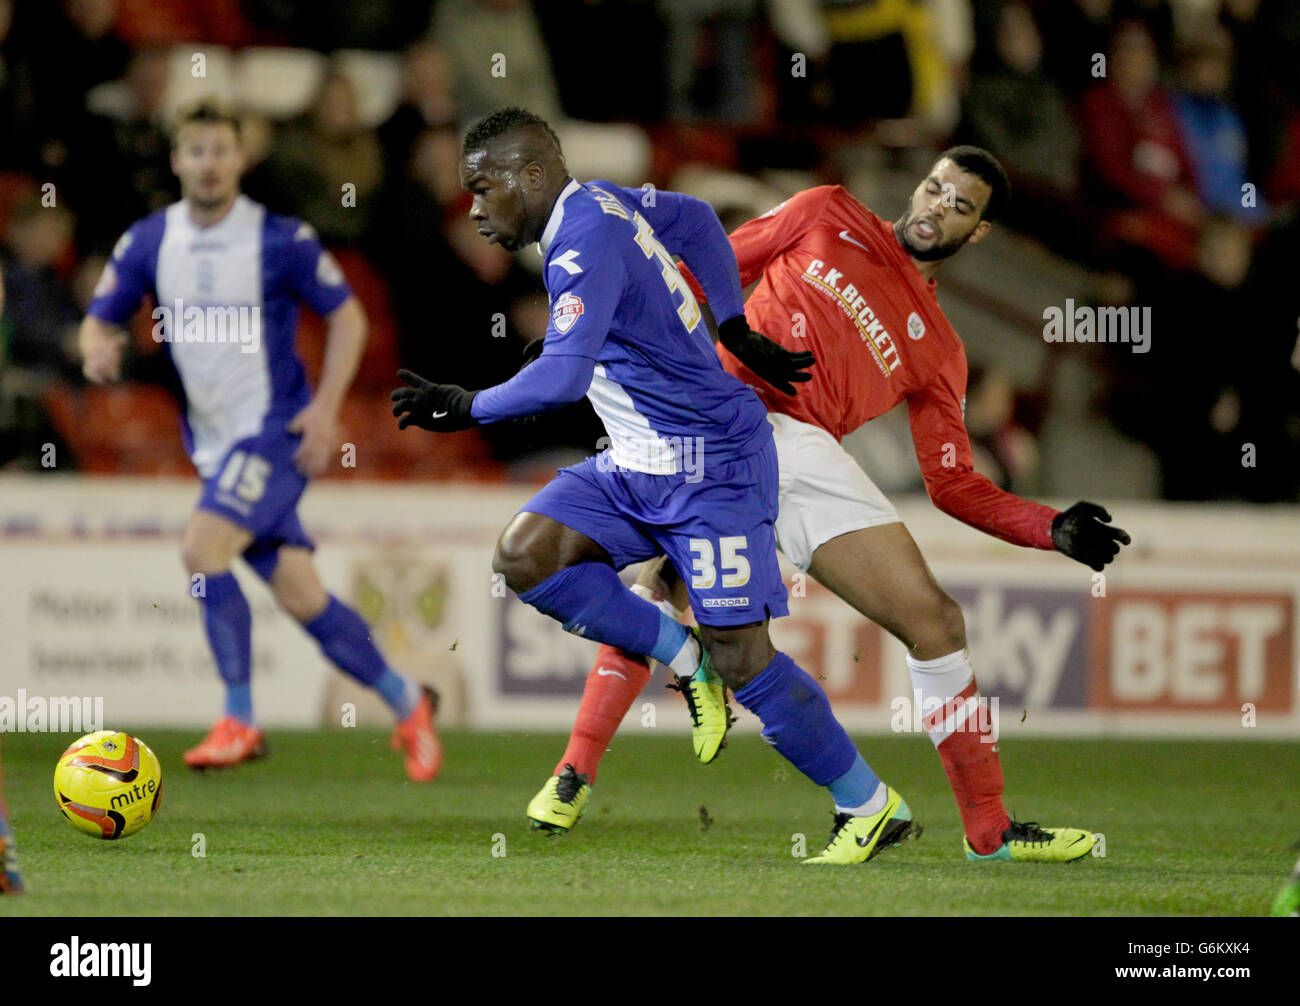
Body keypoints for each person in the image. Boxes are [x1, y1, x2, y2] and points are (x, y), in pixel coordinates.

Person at [528, 146, 1130, 863]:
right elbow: (699, 270)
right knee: (659, 583)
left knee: (935, 622)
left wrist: (1049, 526)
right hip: (713, 415)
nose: (937, 206)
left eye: (960, 205)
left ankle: (989, 833)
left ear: (981, 232)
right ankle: (577, 769)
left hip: (800, 452)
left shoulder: (939, 349)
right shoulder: (826, 212)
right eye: (935, 187)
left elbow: (953, 483)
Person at [392, 106, 914, 864]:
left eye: (482, 187)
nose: (472, 207)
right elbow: (699, 219)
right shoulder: (602, 201)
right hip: (637, 463)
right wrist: (730, 324)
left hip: (712, 468)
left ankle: (868, 804)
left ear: (531, 177)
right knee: (527, 557)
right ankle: (682, 653)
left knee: (747, 658)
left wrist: (464, 404)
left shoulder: (581, 241)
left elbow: (563, 378)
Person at [77, 99, 441, 781]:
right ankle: (407, 700)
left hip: (275, 435)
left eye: (222, 150)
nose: (210, 164)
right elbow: (99, 317)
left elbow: (349, 319)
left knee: (201, 547)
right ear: (178, 160)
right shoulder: (150, 240)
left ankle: (240, 719)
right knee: (303, 596)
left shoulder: (279, 238)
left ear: (241, 158)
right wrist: (97, 347)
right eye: (196, 151)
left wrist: (328, 409)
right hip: (215, 449)